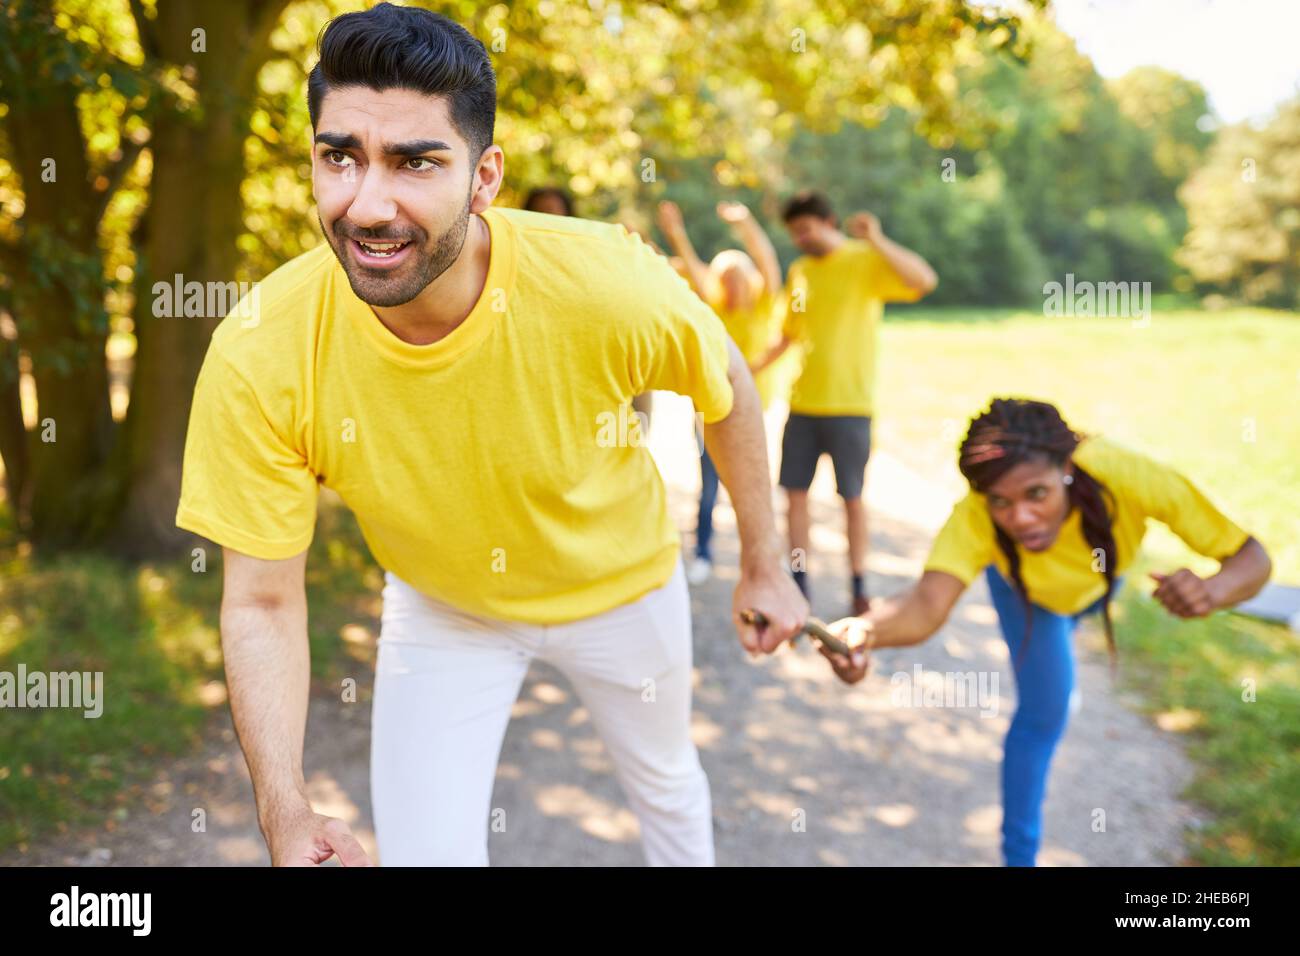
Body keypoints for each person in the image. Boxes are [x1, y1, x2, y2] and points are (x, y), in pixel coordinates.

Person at [175, 3, 806, 867]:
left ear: (484, 178)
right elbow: (261, 599)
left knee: (666, 784)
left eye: (415, 162)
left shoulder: (602, 280)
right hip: (446, 607)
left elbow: (727, 381)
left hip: (622, 587)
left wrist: (765, 560)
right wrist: (283, 808)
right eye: (340, 157)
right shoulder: (260, 350)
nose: (367, 203)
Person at [819, 398, 1272, 866]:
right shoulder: (975, 515)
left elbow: (1252, 558)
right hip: (1028, 595)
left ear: (1067, 469)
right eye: (1002, 503)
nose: (1020, 518)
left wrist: (1213, 592)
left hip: (1096, 583)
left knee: (1057, 679)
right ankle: (1020, 858)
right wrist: (865, 632)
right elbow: (925, 605)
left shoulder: (1124, 473)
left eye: (1037, 494)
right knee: (1045, 713)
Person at [752, 189, 938, 615]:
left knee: (851, 499)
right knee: (794, 495)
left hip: (852, 407)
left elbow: (924, 280)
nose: (800, 238)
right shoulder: (800, 271)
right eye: (794, 233)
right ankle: (800, 583)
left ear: (828, 222)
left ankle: (858, 585)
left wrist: (877, 239)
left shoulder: (865, 260)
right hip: (803, 405)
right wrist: (751, 367)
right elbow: (786, 335)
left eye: (806, 229)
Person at [656, 199, 783, 586]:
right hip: (709, 409)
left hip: (752, 411)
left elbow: (767, 259)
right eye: (725, 278)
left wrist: (745, 222)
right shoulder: (714, 305)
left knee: (751, 486)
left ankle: (762, 562)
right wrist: (676, 232)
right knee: (708, 486)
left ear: (749, 279)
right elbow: (692, 265)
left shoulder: (763, 305)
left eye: (737, 277)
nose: (732, 284)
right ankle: (704, 553)